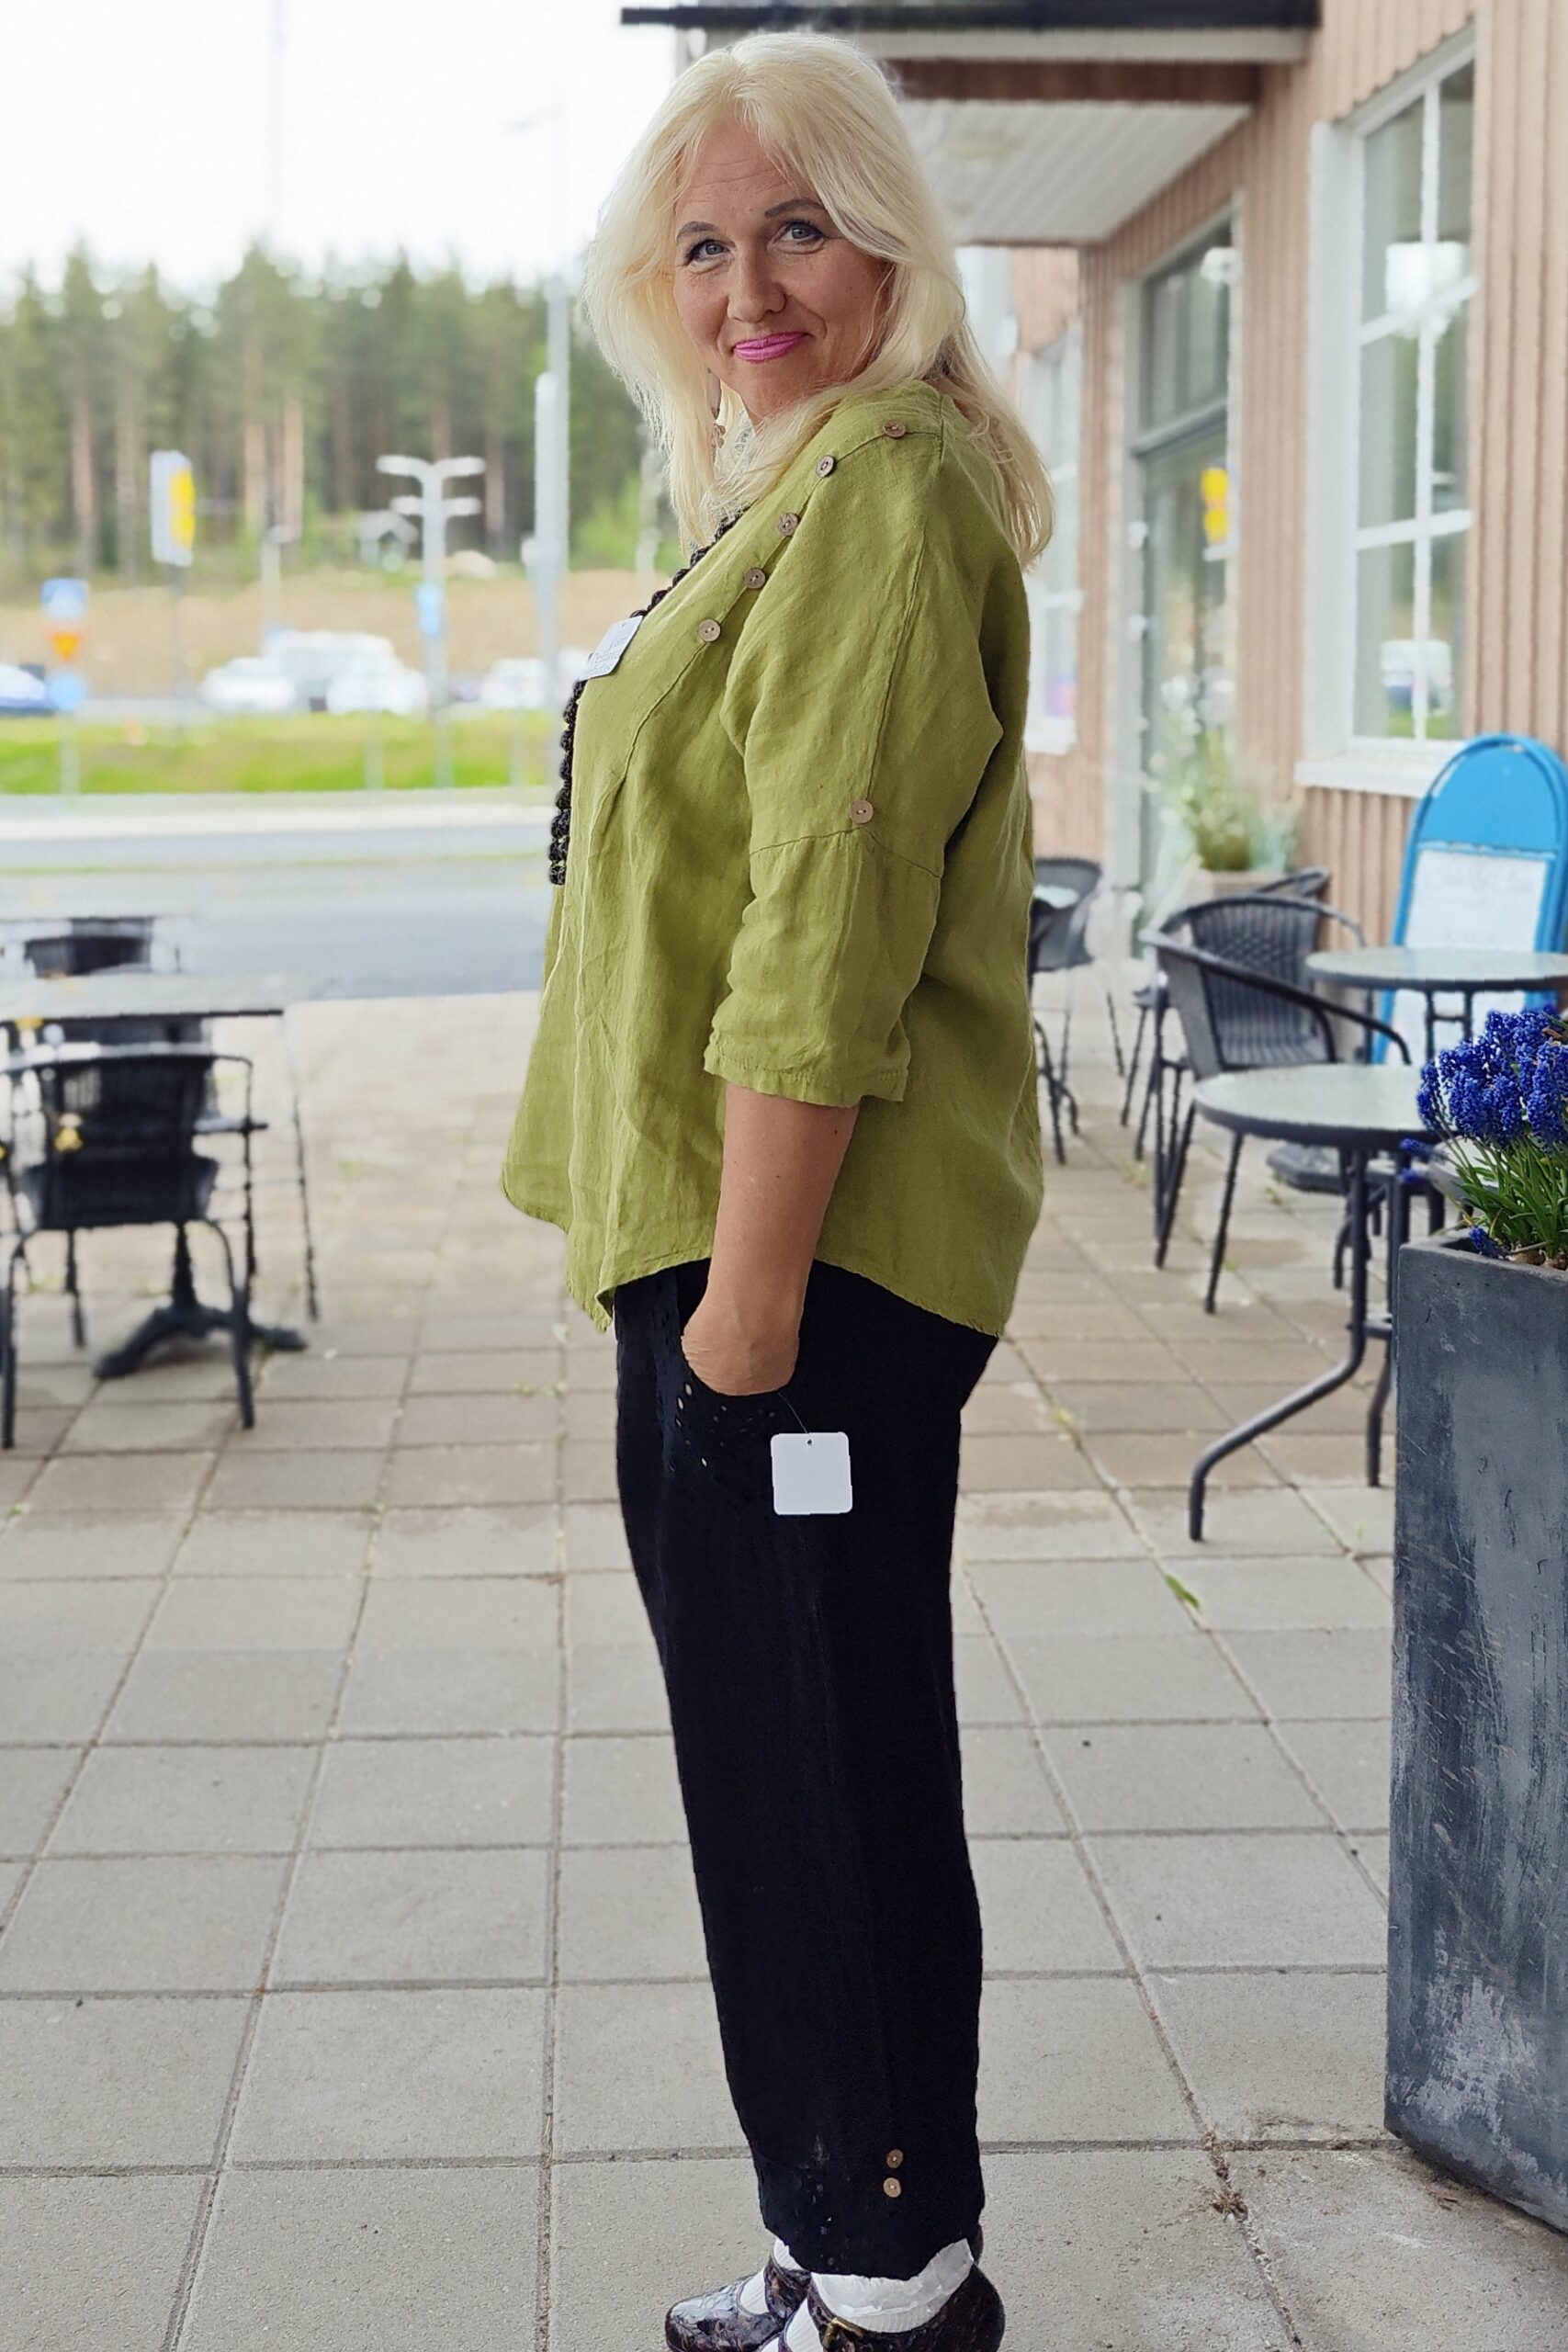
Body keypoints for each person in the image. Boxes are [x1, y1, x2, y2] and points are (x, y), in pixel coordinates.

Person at [502, 29, 1049, 2352]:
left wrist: (739, 1321)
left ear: (888, 243)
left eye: (798, 228)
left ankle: (883, 2275)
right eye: (706, 245)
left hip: (792, 1265)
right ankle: (857, 2243)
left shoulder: (886, 492)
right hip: (744, 1247)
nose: (748, 289)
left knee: (812, 1777)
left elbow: (818, 938)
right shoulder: (792, 491)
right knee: (791, 1765)